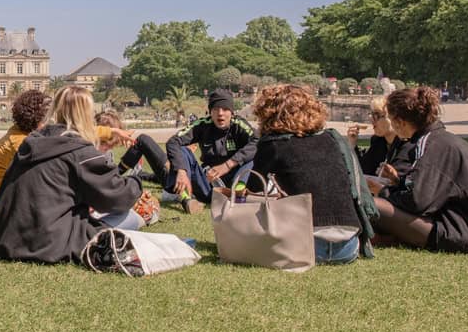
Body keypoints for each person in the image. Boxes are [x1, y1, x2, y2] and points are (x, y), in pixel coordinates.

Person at [0, 85, 144, 265]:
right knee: (131, 217)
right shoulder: (80, 151)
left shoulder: (31, 143)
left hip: (6, 238)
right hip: (48, 241)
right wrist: (136, 183)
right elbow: (116, 198)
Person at [371, 87, 468, 255]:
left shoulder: (433, 145)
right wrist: (399, 182)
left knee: (373, 205)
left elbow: (418, 202)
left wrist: (384, 191)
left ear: (401, 122)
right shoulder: (439, 139)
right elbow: (431, 189)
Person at [250, 84, 367, 264]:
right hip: (349, 246)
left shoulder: (273, 144)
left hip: (307, 245)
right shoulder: (332, 139)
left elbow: (254, 189)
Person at [164, 88, 257, 213]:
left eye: (225, 109)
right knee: (182, 150)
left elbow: (257, 142)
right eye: (215, 109)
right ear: (210, 112)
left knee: (251, 155)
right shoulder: (202, 125)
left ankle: (238, 194)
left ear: (232, 112)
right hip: (208, 184)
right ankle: (186, 199)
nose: (220, 113)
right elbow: (173, 141)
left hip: (234, 180)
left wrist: (227, 165)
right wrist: (181, 170)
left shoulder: (239, 125)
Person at [0, 89, 52, 226]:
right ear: (36, 118)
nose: (50, 122)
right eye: (46, 118)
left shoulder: (16, 134)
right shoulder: (21, 143)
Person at [347, 96, 414, 178]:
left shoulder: (408, 145)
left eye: (377, 115)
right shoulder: (378, 141)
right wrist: (352, 144)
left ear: (392, 118)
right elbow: (363, 169)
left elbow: (395, 180)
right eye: (371, 115)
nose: (371, 119)